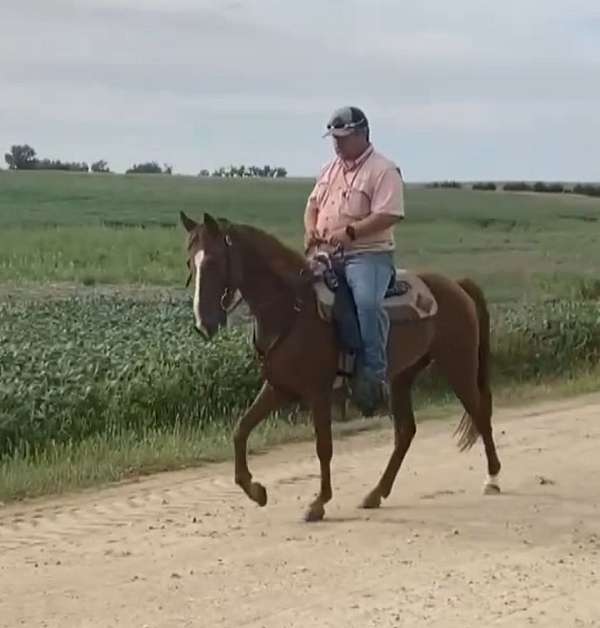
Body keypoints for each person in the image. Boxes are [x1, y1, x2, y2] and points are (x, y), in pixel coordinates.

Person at [303, 106, 405, 415]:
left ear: (362, 135)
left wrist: (350, 232)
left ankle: (373, 377)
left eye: (343, 138)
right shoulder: (329, 169)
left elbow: (389, 214)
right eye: (334, 138)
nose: (337, 144)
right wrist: (310, 230)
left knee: (366, 303)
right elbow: (312, 206)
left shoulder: (383, 170)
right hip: (326, 254)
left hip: (368, 256)